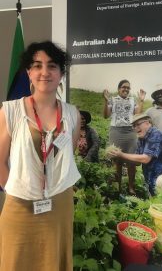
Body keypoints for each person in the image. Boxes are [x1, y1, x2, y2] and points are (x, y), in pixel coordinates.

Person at [0, 41, 81, 271]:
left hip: (60, 204)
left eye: (52, 66)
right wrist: (19, 188)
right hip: (20, 205)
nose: (44, 72)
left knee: (53, 261)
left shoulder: (72, 114)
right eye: (37, 65)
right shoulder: (10, 111)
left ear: (61, 73)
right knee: (15, 260)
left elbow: (66, 156)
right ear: (29, 72)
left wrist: (48, 188)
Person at [108, 113, 162, 196]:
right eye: (133, 126)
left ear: (147, 123)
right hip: (153, 177)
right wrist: (118, 156)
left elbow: (145, 159)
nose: (135, 128)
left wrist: (122, 154)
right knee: (156, 201)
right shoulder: (141, 139)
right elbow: (137, 162)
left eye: (138, 125)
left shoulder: (156, 134)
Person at [103, 80, 146, 195]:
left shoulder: (132, 100)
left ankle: (131, 187)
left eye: (128, 88)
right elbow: (106, 115)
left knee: (132, 160)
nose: (126, 89)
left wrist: (141, 101)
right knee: (117, 160)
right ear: (118, 89)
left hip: (130, 132)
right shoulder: (112, 99)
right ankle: (118, 187)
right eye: (124, 87)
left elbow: (138, 115)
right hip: (116, 131)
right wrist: (106, 101)